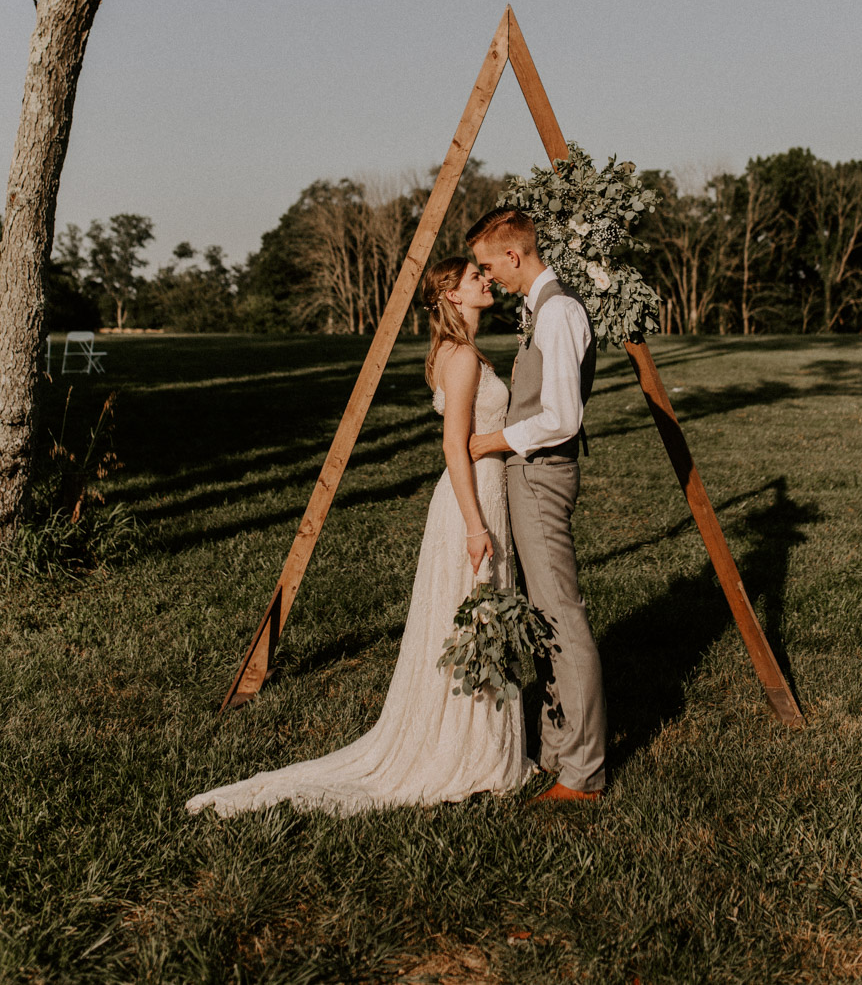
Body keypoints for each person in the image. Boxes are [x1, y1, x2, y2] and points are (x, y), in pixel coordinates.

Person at [186, 257, 533, 818]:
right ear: (451, 294)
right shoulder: (463, 356)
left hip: (480, 491)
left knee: (477, 617)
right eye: (475, 276)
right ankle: (468, 750)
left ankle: (481, 741)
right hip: (471, 499)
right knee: (474, 614)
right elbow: (454, 445)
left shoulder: (460, 351)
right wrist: (475, 525)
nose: (486, 279)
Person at [467, 208, 607, 803]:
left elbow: (561, 418)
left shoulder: (559, 312)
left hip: (542, 475)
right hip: (529, 474)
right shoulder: (537, 309)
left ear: (514, 255)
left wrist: (491, 441)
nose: (486, 275)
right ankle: (557, 748)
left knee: (561, 616)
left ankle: (583, 773)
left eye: (487, 264)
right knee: (544, 617)